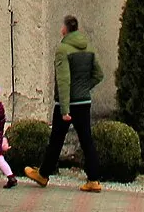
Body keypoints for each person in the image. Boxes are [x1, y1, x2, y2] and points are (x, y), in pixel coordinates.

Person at [26, 15, 103, 192]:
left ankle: (43, 175)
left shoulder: (63, 49)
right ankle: (93, 180)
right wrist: (84, 88)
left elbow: (63, 80)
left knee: (56, 140)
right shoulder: (89, 47)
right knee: (86, 140)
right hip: (84, 102)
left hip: (67, 103)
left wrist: (65, 109)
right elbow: (98, 74)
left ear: (64, 29)